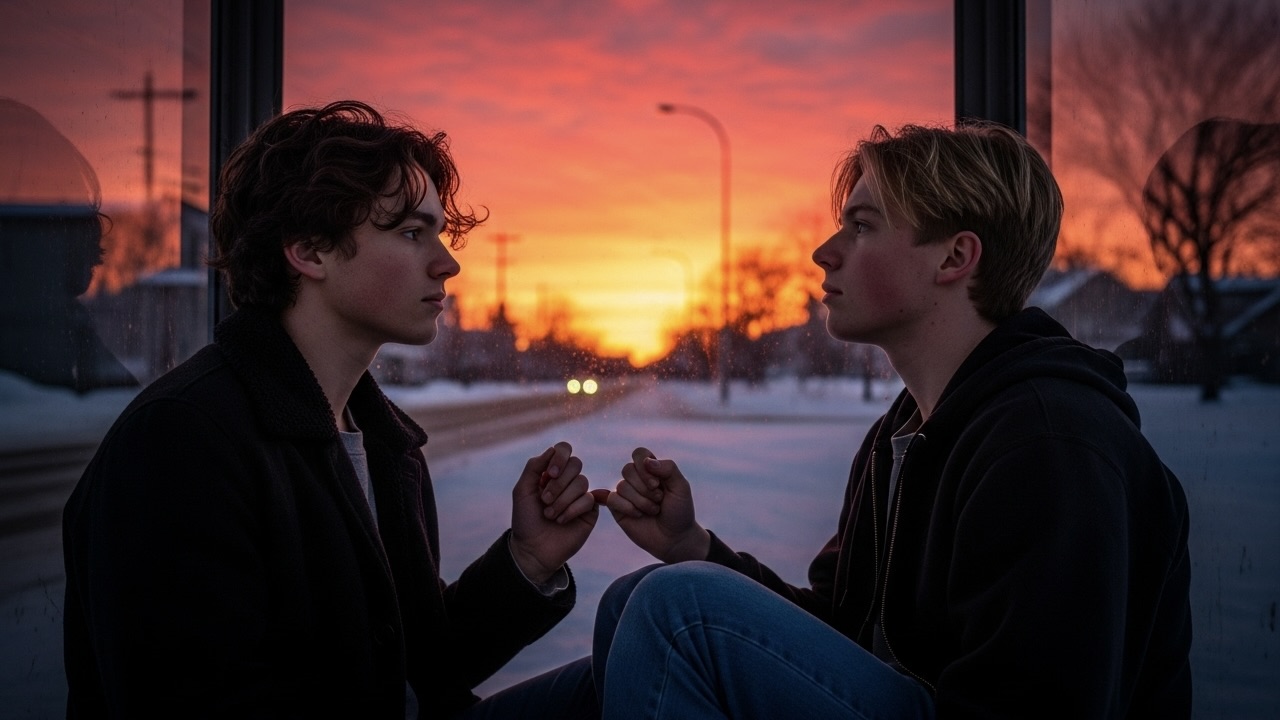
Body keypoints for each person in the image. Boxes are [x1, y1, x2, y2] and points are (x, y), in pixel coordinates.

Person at [594, 123, 1193, 718]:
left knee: (677, 612)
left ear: (955, 257)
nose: (823, 252)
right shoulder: (906, 433)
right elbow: (844, 633)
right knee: (633, 601)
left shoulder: (1049, 443)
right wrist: (691, 546)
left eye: (861, 227)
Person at [62, 101, 600, 719]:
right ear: (309, 251)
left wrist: (528, 561)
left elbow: (412, 667)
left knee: (650, 632)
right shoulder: (181, 441)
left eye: (440, 234)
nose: (447, 263)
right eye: (409, 232)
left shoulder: (383, 442)